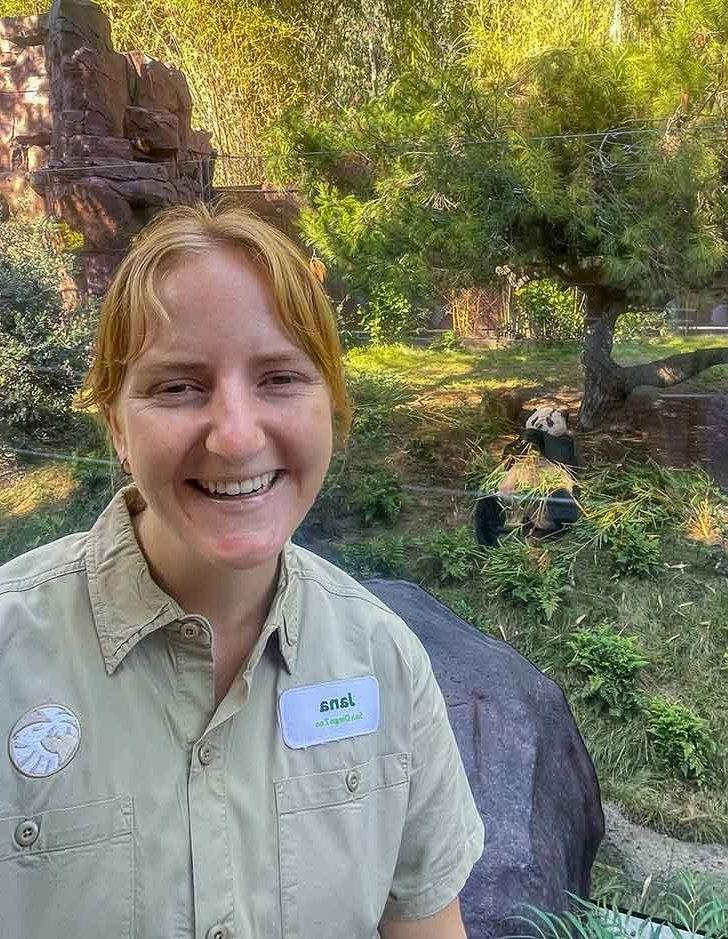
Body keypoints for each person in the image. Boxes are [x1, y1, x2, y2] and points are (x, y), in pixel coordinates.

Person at [0, 203, 484, 938]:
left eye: (280, 378)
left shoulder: (385, 661)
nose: (234, 435)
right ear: (116, 426)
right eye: (178, 386)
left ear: (332, 406)